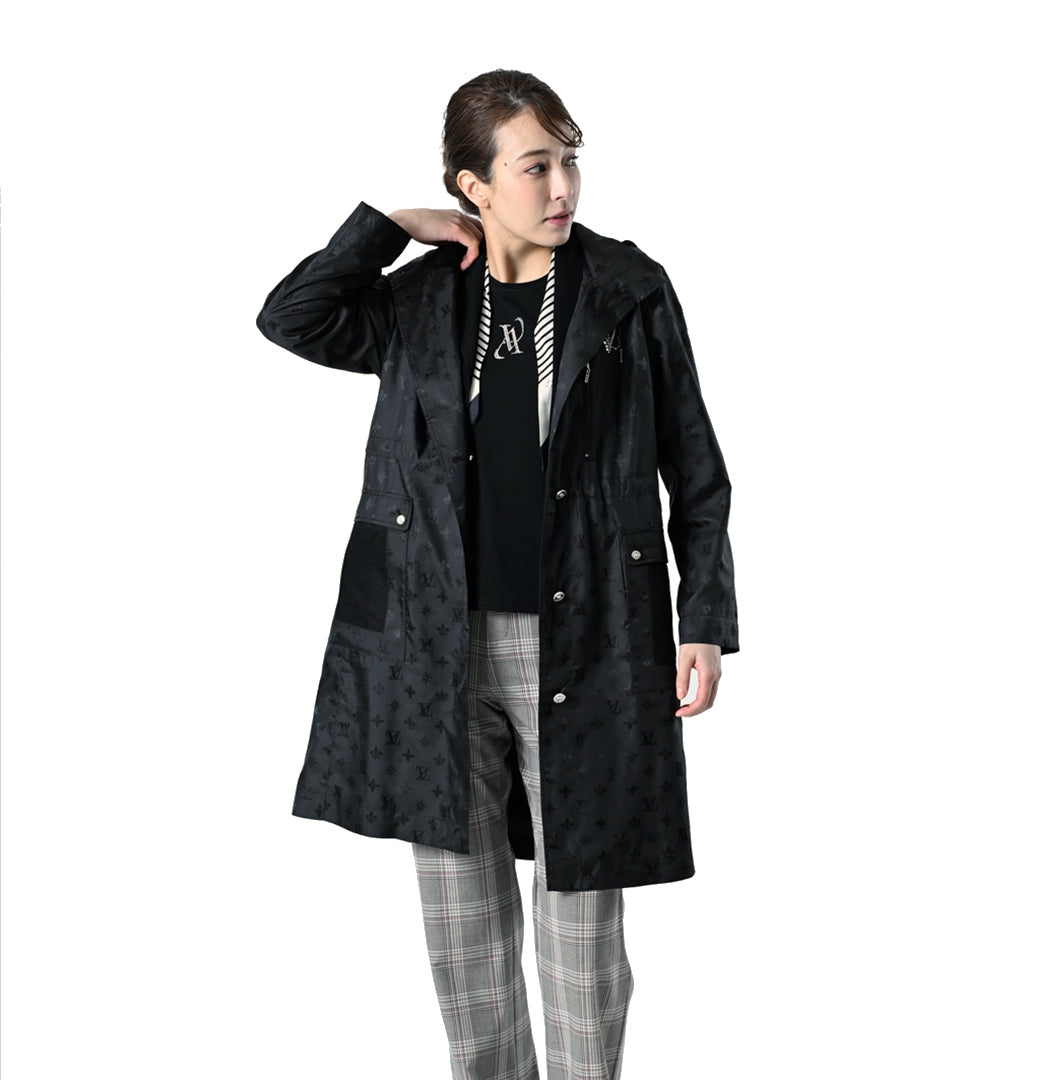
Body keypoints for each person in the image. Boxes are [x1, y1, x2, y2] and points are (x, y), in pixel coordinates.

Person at [256, 68, 738, 1080]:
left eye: (569, 162)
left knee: (582, 934)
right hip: (433, 644)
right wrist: (391, 227)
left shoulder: (627, 289)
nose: (562, 187)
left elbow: (694, 466)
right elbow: (290, 316)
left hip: (591, 636)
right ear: (471, 185)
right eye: (535, 166)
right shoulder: (417, 300)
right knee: (463, 937)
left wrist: (702, 617)